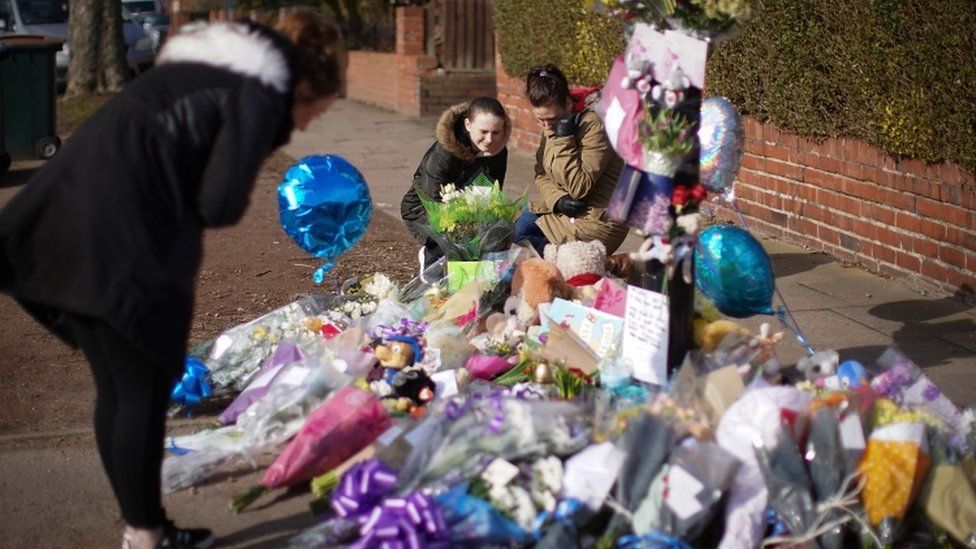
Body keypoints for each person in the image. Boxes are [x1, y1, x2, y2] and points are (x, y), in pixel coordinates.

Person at [0, 11, 343, 549]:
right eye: (310, 114)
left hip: (63, 223)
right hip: (123, 244)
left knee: (117, 387)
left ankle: (143, 530)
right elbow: (219, 202)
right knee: (139, 390)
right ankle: (146, 535)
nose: (300, 127)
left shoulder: (201, 72)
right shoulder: (256, 92)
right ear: (298, 87)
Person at [514, 64, 628, 254]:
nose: (546, 127)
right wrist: (558, 200)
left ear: (568, 104)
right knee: (518, 229)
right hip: (568, 214)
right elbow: (541, 174)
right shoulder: (553, 126)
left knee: (523, 234)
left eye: (551, 119)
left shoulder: (595, 126)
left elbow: (579, 187)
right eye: (540, 120)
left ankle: (561, 277)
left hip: (598, 221)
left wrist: (563, 138)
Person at [400, 96, 510, 266]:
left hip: (466, 206)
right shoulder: (442, 154)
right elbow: (432, 201)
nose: (489, 140)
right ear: (468, 125)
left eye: (496, 132)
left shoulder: (499, 151)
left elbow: (493, 193)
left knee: (496, 235)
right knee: (460, 242)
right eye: (483, 132)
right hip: (423, 209)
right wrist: (466, 227)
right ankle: (431, 254)